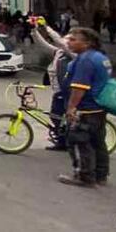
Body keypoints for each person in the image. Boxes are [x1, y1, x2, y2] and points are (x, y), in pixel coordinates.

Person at [58, 27, 112, 188]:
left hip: (85, 110)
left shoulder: (85, 60)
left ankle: (84, 176)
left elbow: (79, 88)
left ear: (87, 43)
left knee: (79, 142)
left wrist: (71, 108)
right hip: (98, 109)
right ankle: (100, 175)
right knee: (98, 143)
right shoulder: (100, 57)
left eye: (74, 39)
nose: (69, 42)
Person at [32, 19, 73, 151]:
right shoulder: (58, 52)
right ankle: (62, 140)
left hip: (65, 90)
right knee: (56, 116)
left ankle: (65, 140)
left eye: (69, 40)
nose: (65, 42)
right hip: (57, 90)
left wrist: (47, 27)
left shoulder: (72, 54)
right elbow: (43, 45)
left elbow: (60, 41)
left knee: (57, 115)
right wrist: (34, 31)